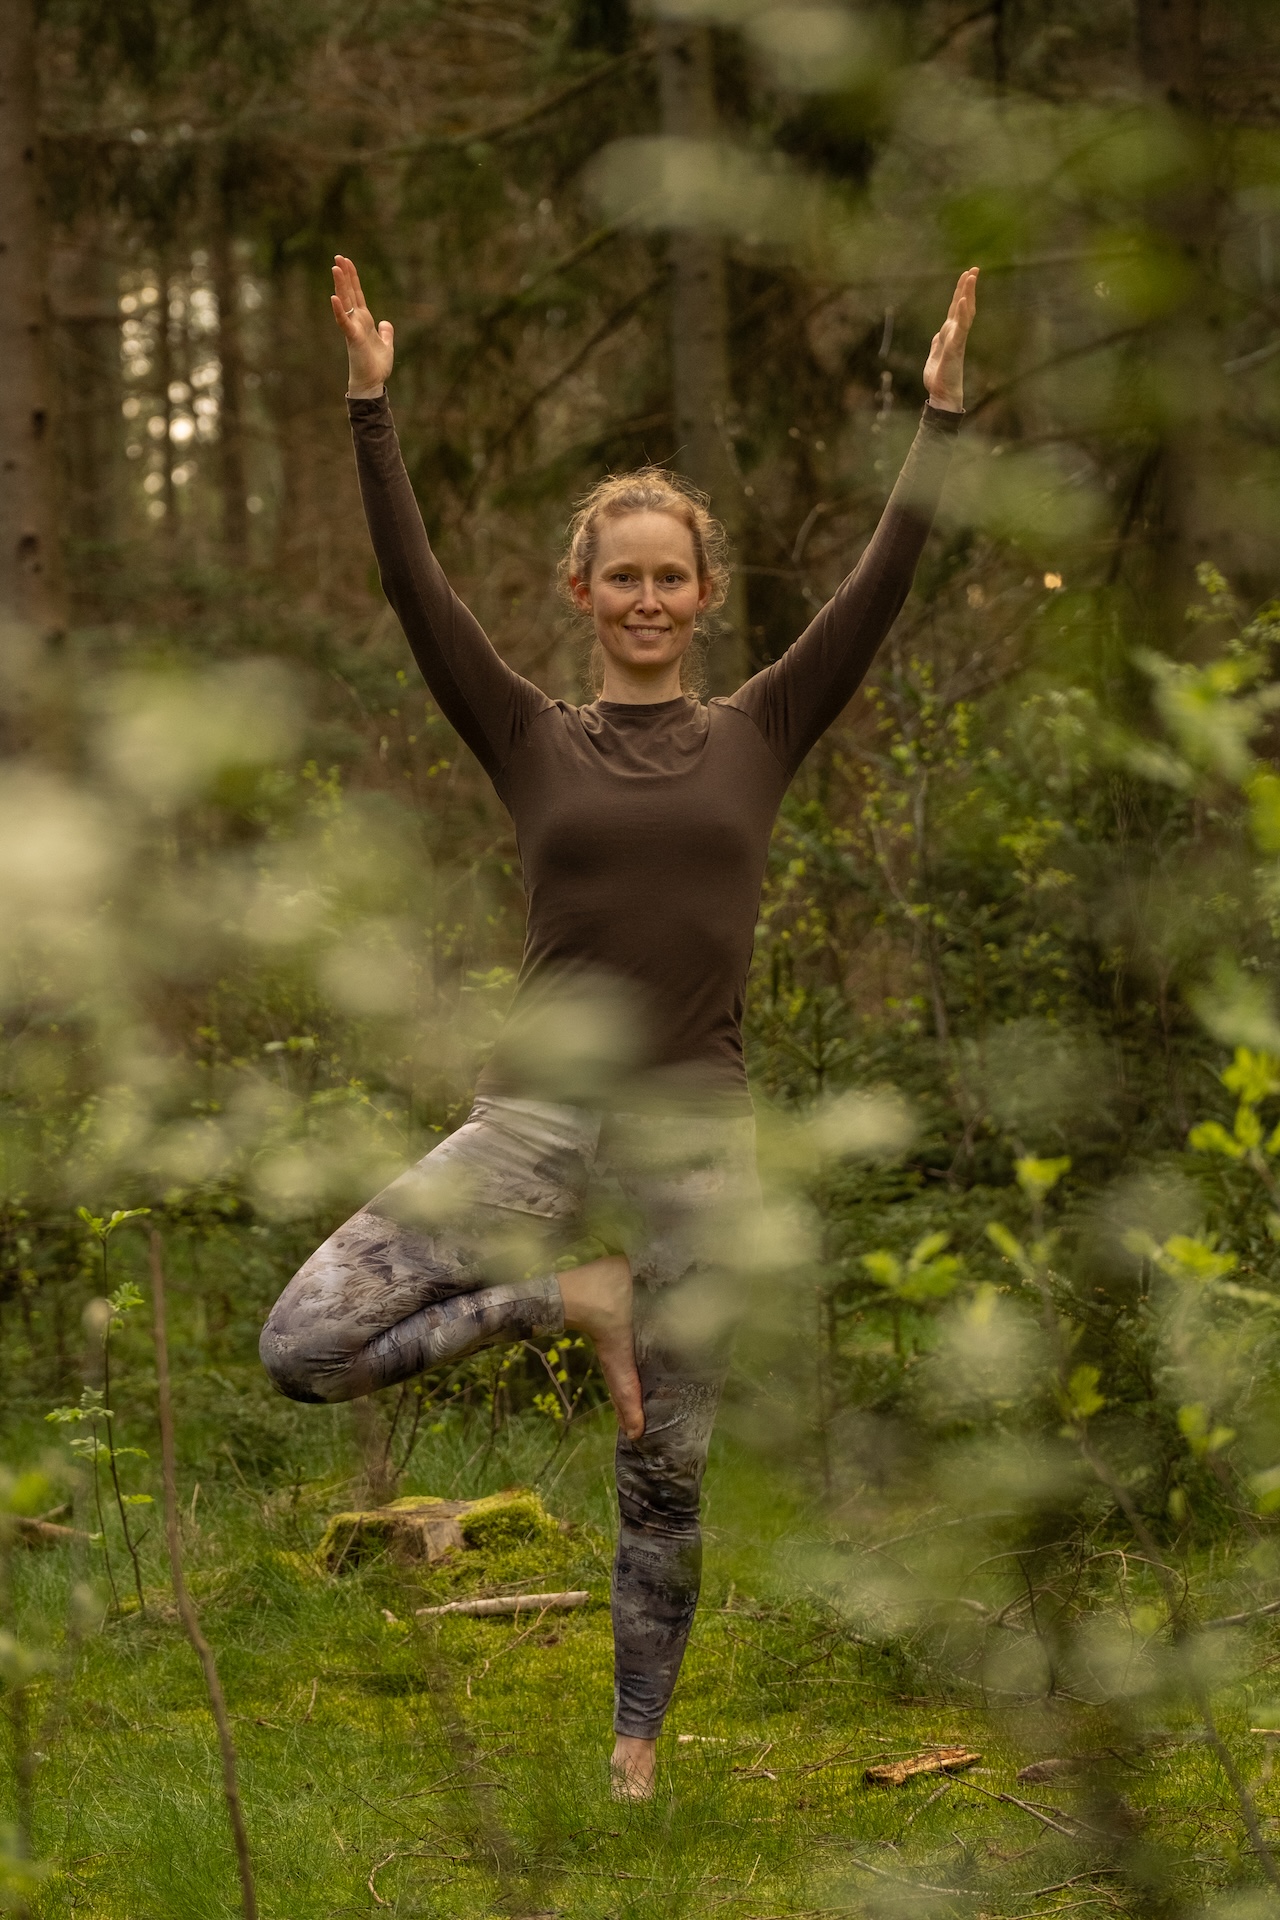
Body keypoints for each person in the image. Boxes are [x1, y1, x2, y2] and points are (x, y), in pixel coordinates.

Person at [259, 254, 978, 1799]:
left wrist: (938, 420)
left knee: (667, 1469)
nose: (648, 599)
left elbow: (879, 583)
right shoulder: (527, 733)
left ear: (704, 599)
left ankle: (635, 1759)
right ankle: (562, 1296)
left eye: (672, 577)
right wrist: (370, 407)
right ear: (580, 595)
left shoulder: (763, 728)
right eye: (621, 576)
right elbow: (413, 591)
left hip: (697, 1135)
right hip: (531, 1119)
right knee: (305, 1347)